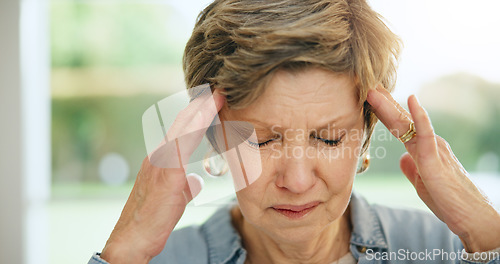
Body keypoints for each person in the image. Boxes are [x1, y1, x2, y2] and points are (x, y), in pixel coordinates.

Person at [88, 0, 500, 263]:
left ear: (366, 135)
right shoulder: (156, 261)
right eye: (262, 140)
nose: (298, 181)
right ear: (214, 137)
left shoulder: (447, 251)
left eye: (329, 138)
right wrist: (126, 252)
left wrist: (486, 230)